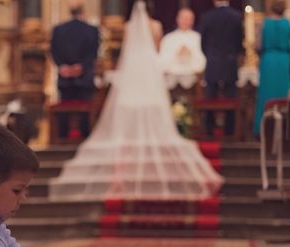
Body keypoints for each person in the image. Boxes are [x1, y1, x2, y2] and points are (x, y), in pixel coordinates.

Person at [49, 1, 223, 201]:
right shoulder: (156, 26)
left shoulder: (128, 27)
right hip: (149, 68)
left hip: (133, 68)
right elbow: (156, 49)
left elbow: (126, 50)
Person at [50, 0, 100, 138]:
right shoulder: (92, 30)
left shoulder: (58, 30)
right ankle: (85, 138)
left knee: (64, 112)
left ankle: (61, 138)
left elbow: (53, 51)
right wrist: (81, 67)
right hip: (84, 77)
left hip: (65, 77)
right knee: (85, 114)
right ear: (83, 11)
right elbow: (93, 53)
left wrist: (63, 66)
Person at [199, 0, 244, 137]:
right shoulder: (236, 16)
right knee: (231, 95)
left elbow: (203, 42)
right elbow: (239, 41)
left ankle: (209, 129)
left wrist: (211, 55)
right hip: (230, 61)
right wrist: (233, 55)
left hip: (213, 61)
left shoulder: (207, 17)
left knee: (210, 96)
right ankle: (229, 130)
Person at [253, 0, 290, 137]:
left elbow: (258, 45)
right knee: (284, 92)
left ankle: (263, 128)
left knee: (266, 94)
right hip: (285, 60)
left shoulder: (264, 23)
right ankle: (287, 127)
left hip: (268, 60)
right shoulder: (289, 23)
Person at [159, 8, 206, 77]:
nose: (186, 21)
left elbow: (204, 58)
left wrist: (190, 54)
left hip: (194, 75)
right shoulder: (168, 38)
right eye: (184, 18)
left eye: (189, 19)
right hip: (172, 75)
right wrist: (177, 54)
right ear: (177, 19)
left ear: (193, 21)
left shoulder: (198, 37)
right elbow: (162, 58)